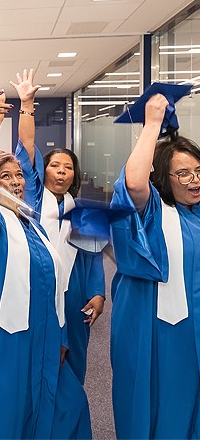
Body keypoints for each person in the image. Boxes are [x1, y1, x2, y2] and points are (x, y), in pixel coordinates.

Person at [0, 86, 90, 439]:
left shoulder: (30, 221)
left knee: (68, 406)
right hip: (2, 339)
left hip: (41, 336)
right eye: (5, 177)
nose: (15, 182)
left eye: (19, 176)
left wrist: (57, 336)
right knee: (9, 414)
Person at [110, 93, 200, 438]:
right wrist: (151, 126)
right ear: (165, 177)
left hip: (192, 332)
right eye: (183, 174)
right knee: (155, 406)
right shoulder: (154, 214)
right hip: (156, 331)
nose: (194, 180)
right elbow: (134, 183)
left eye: (198, 171)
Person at [13, 69, 105, 384]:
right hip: (38, 288)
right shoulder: (34, 200)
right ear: (44, 170)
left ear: (74, 175)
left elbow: (93, 259)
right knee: (39, 357)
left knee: (74, 360)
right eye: (55, 165)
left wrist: (98, 294)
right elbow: (26, 147)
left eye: (68, 168)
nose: (62, 172)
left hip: (74, 290)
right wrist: (27, 104)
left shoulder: (84, 211)